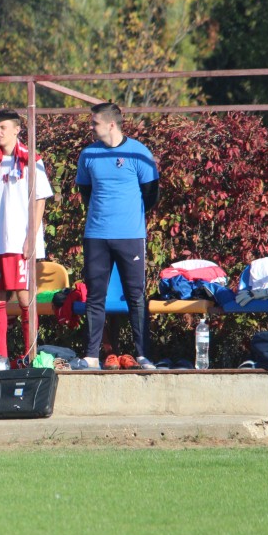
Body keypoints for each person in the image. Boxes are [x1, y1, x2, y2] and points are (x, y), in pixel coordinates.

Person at [75, 102, 159, 370]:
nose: (91, 127)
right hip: (96, 236)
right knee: (95, 296)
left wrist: (129, 218)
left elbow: (151, 194)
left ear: (111, 124)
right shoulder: (88, 154)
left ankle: (143, 354)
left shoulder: (138, 152)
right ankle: (91, 356)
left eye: (95, 123)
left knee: (135, 296)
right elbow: (86, 192)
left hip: (130, 236)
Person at [0, 109, 54, 370]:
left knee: (24, 300)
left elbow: (40, 200)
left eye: (2, 127)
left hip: (20, 242)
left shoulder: (31, 160)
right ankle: (1, 358)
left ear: (17, 130)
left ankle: (30, 356)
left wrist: (31, 237)